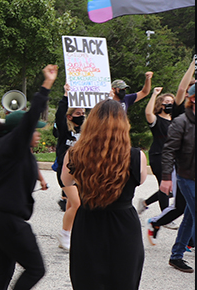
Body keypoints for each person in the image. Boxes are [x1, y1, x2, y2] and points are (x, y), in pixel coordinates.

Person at [0, 65, 56, 290]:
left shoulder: (5, 149)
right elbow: (31, 117)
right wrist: (47, 84)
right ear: (21, 131)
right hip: (7, 220)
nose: (38, 132)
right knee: (36, 268)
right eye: (34, 129)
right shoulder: (13, 144)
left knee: (3, 272)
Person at [61, 100, 147, 289]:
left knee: (87, 280)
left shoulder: (75, 154)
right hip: (124, 225)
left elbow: (66, 182)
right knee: (124, 280)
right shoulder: (136, 156)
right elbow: (140, 181)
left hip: (89, 222)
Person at [160, 82, 196, 273]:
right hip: (187, 177)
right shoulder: (181, 122)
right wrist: (166, 177)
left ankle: (176, 256)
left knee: (190, 217)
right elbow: (168, 152)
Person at [54, 84, 85, 251]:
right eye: (78, 114)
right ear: (70, 116)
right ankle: (65, 234)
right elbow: (60, 115)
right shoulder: (65, 130)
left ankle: (67, 233)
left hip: (81, 171)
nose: (81, 116)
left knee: (72, 205)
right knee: (77, 204)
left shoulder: (85, 130)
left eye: (83, 114)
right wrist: (65, 96)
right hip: (65, 170)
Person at [137, 88, 176, 217]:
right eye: (167, 101)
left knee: (173, 189)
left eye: (172, 102)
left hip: (173, 157)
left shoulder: (175, 120)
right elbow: (148, 112)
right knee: (164, 187)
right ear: (161, 104)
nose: (169, 104)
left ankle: (145, 203)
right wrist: (154, 94)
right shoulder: (156, 120)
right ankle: (165, 217)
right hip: (159, 155)